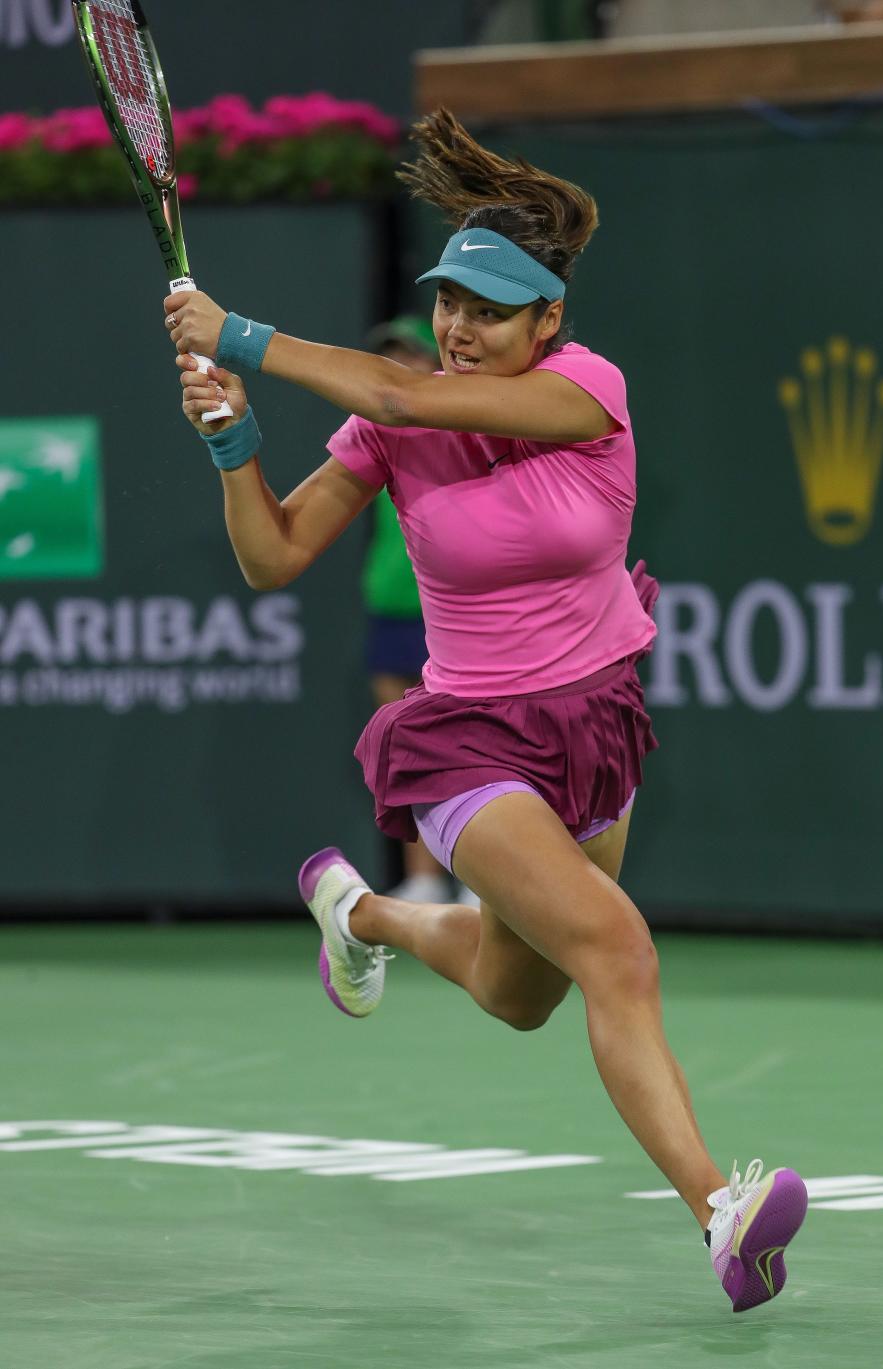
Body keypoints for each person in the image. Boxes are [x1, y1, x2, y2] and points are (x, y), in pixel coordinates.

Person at [164, 108, 807, 1314]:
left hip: (597, 724)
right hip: (469, 741)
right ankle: (723, 1212)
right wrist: (233, 440)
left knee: (522, 997)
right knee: (617, 949)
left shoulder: (587, 392)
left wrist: (240, 334)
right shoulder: (388, 415)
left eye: (491, 311)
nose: (459, 329)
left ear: (548, 322)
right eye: (450, 301)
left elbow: (406, 404)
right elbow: (276, 555)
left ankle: (357, 909)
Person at [360, 316, 467, 906]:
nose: (399, 370)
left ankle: (482, 883)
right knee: (411, 752)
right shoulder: (375, 433)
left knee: (474, 752)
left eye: (411, 358)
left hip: (450, 613)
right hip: (390, 606)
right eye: (389, 359)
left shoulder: (472, 430)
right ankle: (425, 881)